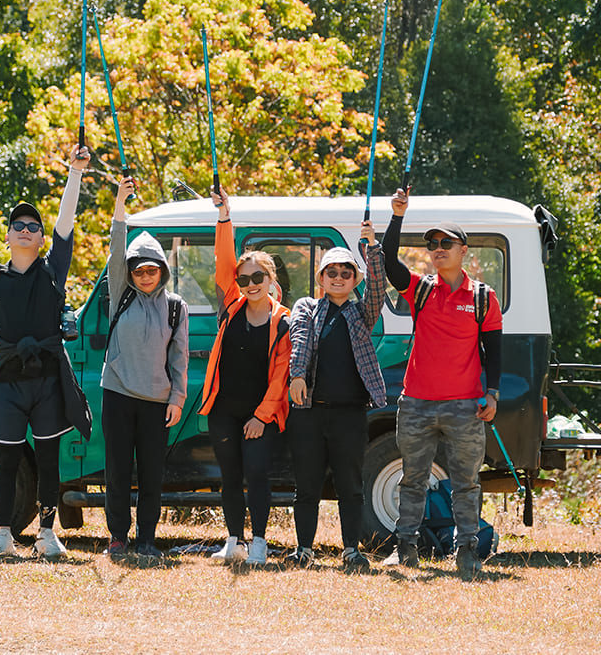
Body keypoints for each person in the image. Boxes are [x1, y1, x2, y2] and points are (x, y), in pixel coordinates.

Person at [0, 144, 92, 559]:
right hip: (8, 382)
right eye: (17, 224)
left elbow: (66, 222)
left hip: (49, 379)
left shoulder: (54, 271)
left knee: (50, 457)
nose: (26, 229)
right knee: (7, 460)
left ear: (41, 239)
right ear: (6, 236)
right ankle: (3, 533)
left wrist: (74, 173)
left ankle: (46, 533)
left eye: (33, 226)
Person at [381, 188, 502, 577]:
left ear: (463, 249)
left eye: (445, 243)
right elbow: (388, 262)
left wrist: (493, 394)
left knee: (467, 483)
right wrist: (397, 216)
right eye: (432, 244)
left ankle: (467, 552)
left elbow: (494, 351)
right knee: (412, 480)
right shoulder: (420, 289)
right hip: (415, 403)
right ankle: (406, 549)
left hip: (465, 406)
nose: (437, 248)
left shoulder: (484, 298)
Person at [285, 222, 387, 571]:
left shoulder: (361, 313)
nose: (339, 277)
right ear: (321, 278)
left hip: (350, 413)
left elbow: (377, 289)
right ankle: (304, 550)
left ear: (354, 279)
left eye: (346, 272)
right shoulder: (306, 308)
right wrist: (296, 375)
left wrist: (371, 248)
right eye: (332, 272)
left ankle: (350, 550)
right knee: (307, 484)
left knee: (350, 485)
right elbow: (298, 340)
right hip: (310, 412)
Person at [199, 187, 291, 566]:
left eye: (257, 277)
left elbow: (281, 377)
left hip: (261, 415)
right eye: (244, 278)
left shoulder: (282, 321)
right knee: (230, 474)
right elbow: (223, 260)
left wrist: (261, 416)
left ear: (270, 279)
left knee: (256, 472)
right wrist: (224, 216)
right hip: (224, 408)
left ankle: (258, 541)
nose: (250, 283)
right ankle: (233, 539)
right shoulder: (231, 306)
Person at [101, 176, 190, 559]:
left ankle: (147, 540)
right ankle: (118, 537)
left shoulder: (176, 306)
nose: (145, 275)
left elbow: (179, 356)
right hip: (118, 393)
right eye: (138, 270)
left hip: (157, 401)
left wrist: (177, 397)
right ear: (130, 272)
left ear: (163, 270)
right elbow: (116, 245)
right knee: (118, 471)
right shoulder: (120, 294)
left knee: (151, 475)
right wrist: (121, 202)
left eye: (152, 269)